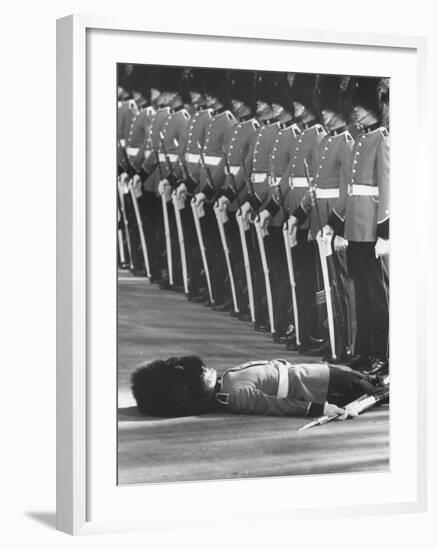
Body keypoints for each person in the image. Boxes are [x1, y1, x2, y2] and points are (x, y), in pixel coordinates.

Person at [322, 77, 390, 374]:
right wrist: (333, 224)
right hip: (355, 228)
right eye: (356, 108)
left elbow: (387, 189)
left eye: (362, 108)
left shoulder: (382, 139)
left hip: (373, 228)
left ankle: (381, 355)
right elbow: (349, 189)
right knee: (360, 291)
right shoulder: (360, 139)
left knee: (376, 294)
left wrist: (385, 231)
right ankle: (363, 351)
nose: (357, 113)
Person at [289, 75, 355, 361]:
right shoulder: (327, 141)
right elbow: (314, 186)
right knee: (321, 282)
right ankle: (326, 334)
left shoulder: (346, 142)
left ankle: (342, 341)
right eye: (323, 109)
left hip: (332, 221)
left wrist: (333, 224)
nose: (325, 114)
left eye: (328, 110)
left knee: (337, 285)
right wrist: (299, 215)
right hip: (319, 220)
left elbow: (345, 191)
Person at [131, 354, 387, 418]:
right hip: (314, 385)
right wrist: (319, 409)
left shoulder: (224, 385)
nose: (206, 369)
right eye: (201, 374)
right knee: (359, 383)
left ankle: (379, 382)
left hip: (306, 374)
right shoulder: (229, 396)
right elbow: (273, 405)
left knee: (356, 377)